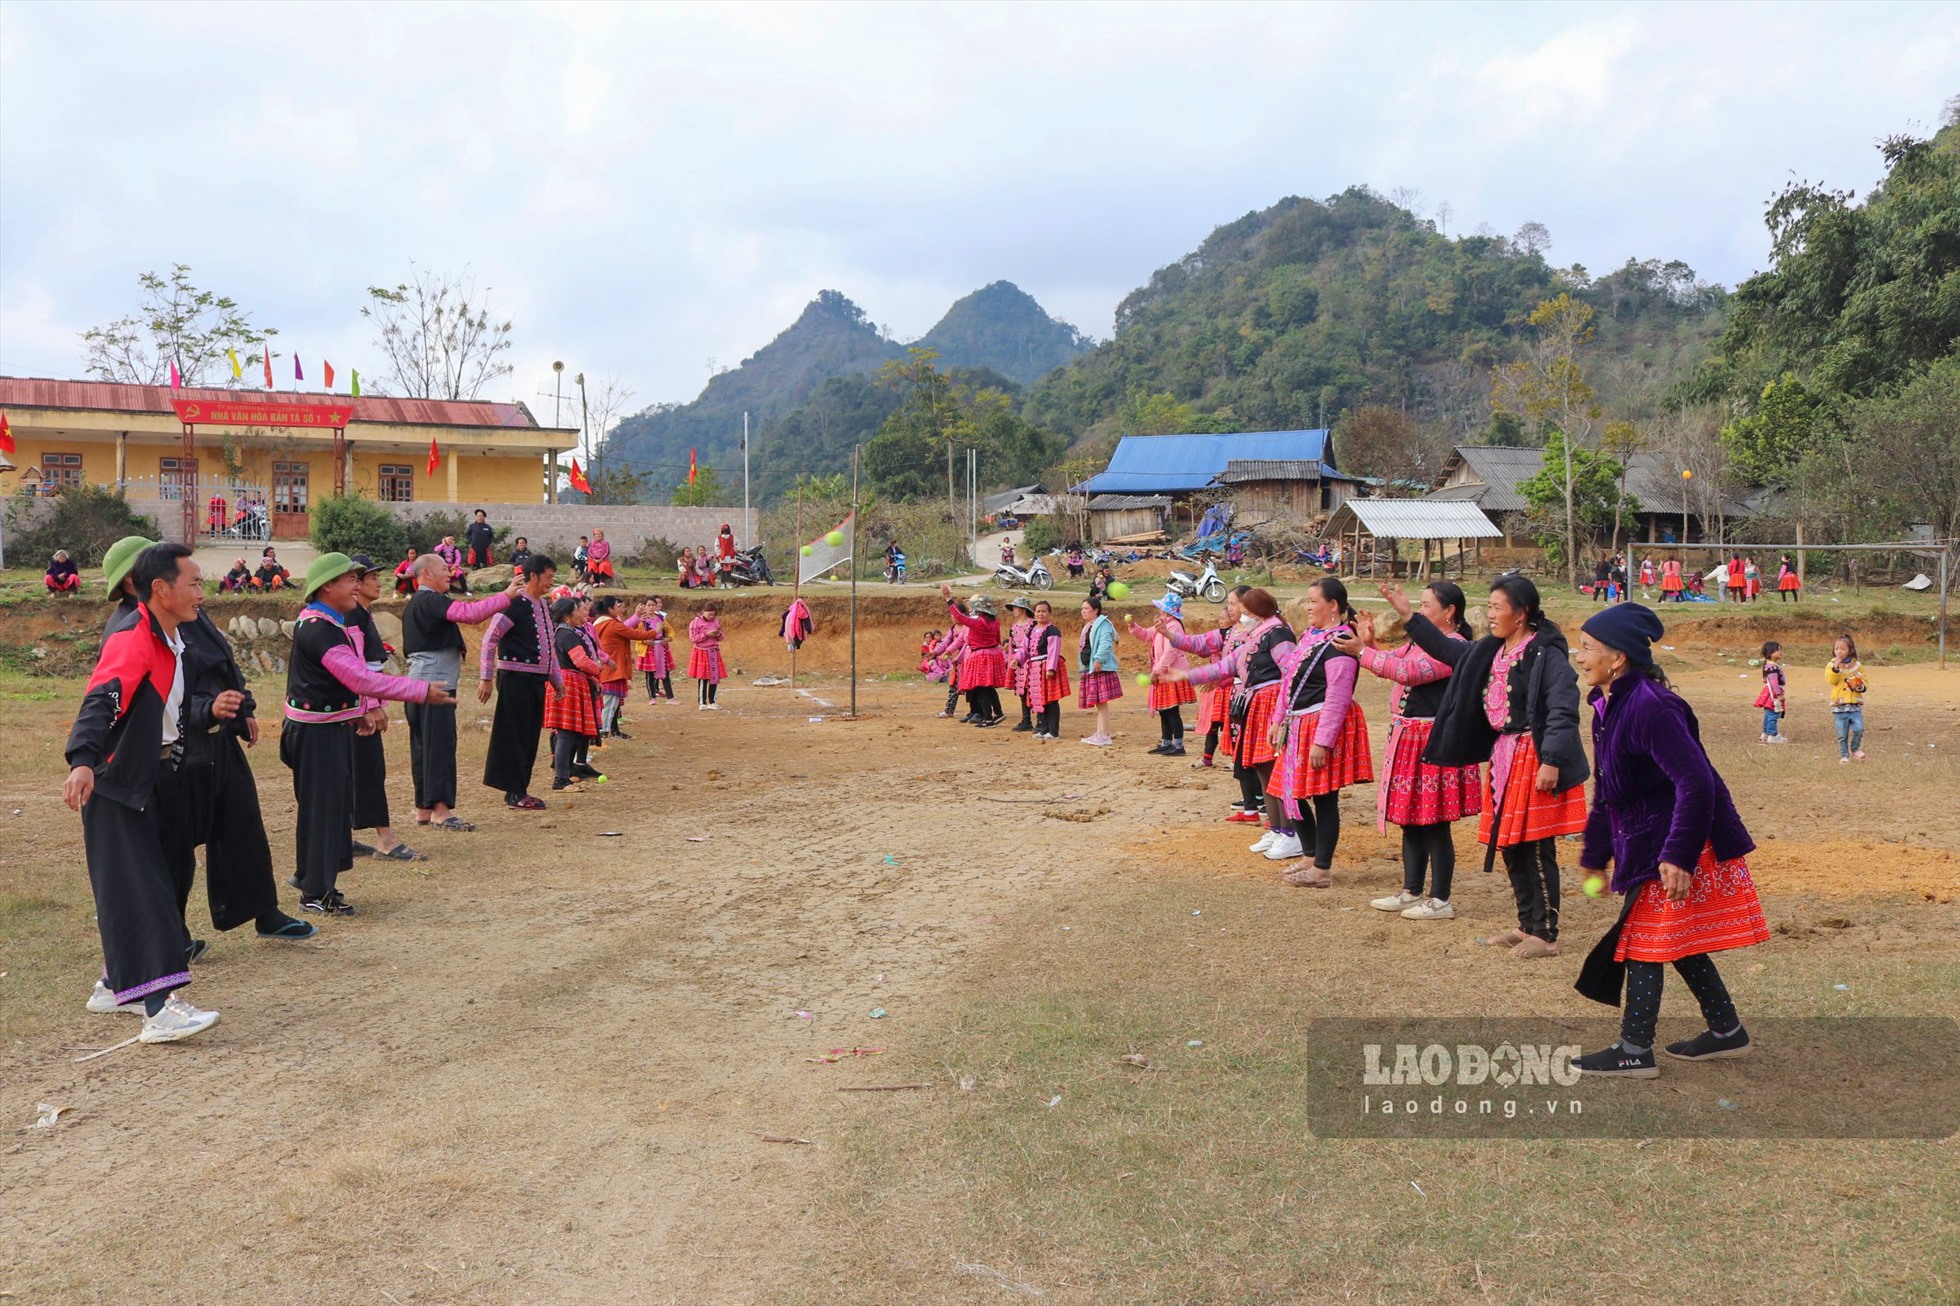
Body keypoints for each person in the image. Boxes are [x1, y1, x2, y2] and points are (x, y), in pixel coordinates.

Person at [1571, 603, 1767, 1078]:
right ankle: (1726, 1031)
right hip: (1649, 845)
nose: (1580, 657)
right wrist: (1596, 855)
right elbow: (1609, 792)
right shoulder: (1607, 705)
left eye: (1588, 648)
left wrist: (1678, 856)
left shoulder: (1651, 706)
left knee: (1643, 942)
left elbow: (1696, 782)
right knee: (1672, 940)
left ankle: (1634, 1050)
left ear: (1617, 658)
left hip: (1677, 845)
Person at [65, 543, 224, 1041]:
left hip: (150, 779)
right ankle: (158, 1010)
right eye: (194, 583)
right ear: (161, 588)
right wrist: (84, 761)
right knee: (146, 894)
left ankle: (115, 987)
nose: (202, 592)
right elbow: (102, 698)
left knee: (139, 886)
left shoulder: (172, 637)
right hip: (116, 784)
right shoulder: (134, 635)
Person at [1390, 573, 1589, 959]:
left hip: (1535, 756)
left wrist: (1551, 760)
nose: (1490, 614)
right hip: (1505, 757)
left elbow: (1564, 708)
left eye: (1498, 607)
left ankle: (1546, 934)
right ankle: (1526, 925)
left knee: (1534, 846)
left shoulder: (1544, 653)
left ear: (1522, 613)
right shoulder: (1492, 650)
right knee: (1511, 844)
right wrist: (1411, 617)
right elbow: (1450, 653)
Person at [282, 554, 453, 915]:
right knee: (322, 812)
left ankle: (315, 880)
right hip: (315, 734)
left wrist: (358, 710)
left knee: (332, 809)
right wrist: (419, 690)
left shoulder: (330, 621)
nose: (357, 585)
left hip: (329, 727)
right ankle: (315, 891)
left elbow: (350, 677)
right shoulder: (319, 628)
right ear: (327, 586)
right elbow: (358, 677)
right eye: (350, 580)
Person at [1333, 581, 1483, 920]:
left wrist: (1360, 650)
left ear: (1450, 612)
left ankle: (1440, 899)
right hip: (1410, 739)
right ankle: (1412, 890)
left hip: (1433, 740)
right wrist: (1369, 643)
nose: (1422, 611)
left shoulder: (1455, 647)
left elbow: (1406, 673)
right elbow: (1390, 662)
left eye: (1427, 605)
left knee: (1434, 821)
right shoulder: (1420, 642)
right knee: (1411, 818)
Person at [1260, 579, 1372, 886]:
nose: (1307, 606)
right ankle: (1309, 855)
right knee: (1288, 791)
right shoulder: (1312, 636)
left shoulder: (1341, 642)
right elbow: (1289, 682)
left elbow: (1338, 695)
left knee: (1324, 798)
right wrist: (1278, 718)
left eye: (1313, 601)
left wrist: (1323, 742)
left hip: (1319, 725)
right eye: (1307, 601)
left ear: (1332, 605)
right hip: (1298, 725)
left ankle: (1322, 868)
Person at [403, 552, 517, 832]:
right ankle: (440, 811)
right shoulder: (431, 599)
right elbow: (468, 614)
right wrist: (506, 595)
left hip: (415, 685)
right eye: (444, 569)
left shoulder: (415, 604)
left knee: (422, 748)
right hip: (436, 687)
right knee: (439, 747)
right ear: (426, 574)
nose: (450, 574)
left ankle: (424, 808)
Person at [1164, 585, 1276, 821]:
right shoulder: (1230, 632)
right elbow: (1200, 644)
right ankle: (1253, 805)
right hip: (1240, 700)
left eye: (1233, 604)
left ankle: (1267, 807)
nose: (1229, 608)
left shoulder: (1267, 633)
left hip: (1260, 701)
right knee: (1242, 753)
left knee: (1260, 755)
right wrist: (1170, 636)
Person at [345, 556, 423, 862]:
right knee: (368, 769)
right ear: (356, 583)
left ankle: (343, 837)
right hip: (355, 710)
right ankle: (385, 839)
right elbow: (358, 669)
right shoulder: (352, 616)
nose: (379, 582)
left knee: (353, 771)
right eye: (372, 577)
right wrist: (371, 706)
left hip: (354, 706)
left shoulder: (361, 615)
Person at [479, 554, 563, 810]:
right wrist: (486, 678)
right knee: (514, 736)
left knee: (528, 736)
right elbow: (490, 638)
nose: (550, 583)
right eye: (548, 577)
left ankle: (519, 789)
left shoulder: (542, 605)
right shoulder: (514, 603)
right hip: (515, 678)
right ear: (533, 575)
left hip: (535, 680)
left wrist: (556, 680)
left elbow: (549, 647)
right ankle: (515, 792)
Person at [545, 595, 608, 790]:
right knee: (567, 733)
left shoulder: (562, 633)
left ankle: (566, 773)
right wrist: (597, 668)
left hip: (569, 681)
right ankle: (561, 778)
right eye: (577, 610)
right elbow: (581, 661)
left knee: (569, 732)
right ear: (567, 616)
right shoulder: (568, 635)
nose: (582, 613)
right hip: (569, 683)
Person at [1128, 594, 1194, 756]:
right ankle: (1167, 742)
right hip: (1164, 673)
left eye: (1162, 608)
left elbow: (1170, 652)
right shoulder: (1164, 625)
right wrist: (1133, 626)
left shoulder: (1174, 627)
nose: (1159, 610)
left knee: (1171, 710)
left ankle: (1178, 746)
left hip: (1170, 673)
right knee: (1164, 710)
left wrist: (1157, 671)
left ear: (1167, 611)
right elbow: (1146, 635)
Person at [593, 594, 663, 737]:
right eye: (617, 606)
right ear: (610, 609)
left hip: (608, 665)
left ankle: (605, 729)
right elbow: (633, 633)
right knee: (610, 701)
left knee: (609, 701)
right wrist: (655, 632)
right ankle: (603, 730)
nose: (620, 609)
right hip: (613, 666)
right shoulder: (612, 624)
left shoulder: (599, 623)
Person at [942, 585, 1010, 727]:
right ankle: (997, 713)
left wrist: (948, 598)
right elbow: (997, 640)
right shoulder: (995, 622)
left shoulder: (977, 623)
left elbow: (959, 615)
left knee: (981, 687)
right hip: (993, 653)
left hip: (980, 655)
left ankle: (988, 718)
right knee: (988, 686)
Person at [1190, 605, 1235, 768]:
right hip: (1216, 690)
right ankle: (1207, 758)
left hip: (1229, 689)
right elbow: (1203, 651)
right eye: (1219, 619)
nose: (1220, 621)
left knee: (1231, 726)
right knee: (1212, 724)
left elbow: (1233, 669)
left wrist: (1217, 681)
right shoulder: (1217, 637)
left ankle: (1235, 760)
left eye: (1223, 618)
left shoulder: (1238, 638)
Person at [1076, 594, 1122, 746]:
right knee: (1099, 702)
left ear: (1095, 610)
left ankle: (1104, 734)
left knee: (1101, 702)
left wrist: (1098, 660)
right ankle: (1101, 732)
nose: (1083, 611)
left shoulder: (1103, 624)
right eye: (1082, 609)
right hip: (1092, 667)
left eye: (1086, 609)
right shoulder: (1090, 625)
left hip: (1099, 667)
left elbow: (1105, 642)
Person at [1027, 599, 1070, 741]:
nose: (1041, 614)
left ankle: (1053, 731)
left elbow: (1054, 650)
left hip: (1046, 667)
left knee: (1051, 699)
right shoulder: (1032, 630)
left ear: (1049, 613)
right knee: (1040, 698)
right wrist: (1017, 659)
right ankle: (1043, 729)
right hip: (1034, 668)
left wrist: (1050, 668)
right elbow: (1024, 648)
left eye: (1044, 611)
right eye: (1038, 611)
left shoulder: (1052, 630)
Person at [1826, 634, 1868, 763]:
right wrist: (1835, 668)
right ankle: (1844, 756)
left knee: (1859, 729)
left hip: (1854, 705)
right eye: (1836, 648)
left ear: (1851, 650)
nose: (1839, 651)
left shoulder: (1857, 666)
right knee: (1842, 734)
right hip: (1839, 706)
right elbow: (1831, 680)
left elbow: (1865, 681)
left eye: (1843, 649)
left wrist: (1859, 685)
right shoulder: (1831, 665)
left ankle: (1854, 749)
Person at [630, 596, 676, 703]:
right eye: (649, 605)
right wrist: (644, 641)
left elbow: (670, 630)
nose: (651, 607)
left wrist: (669, 638)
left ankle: (670, 697)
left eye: (653, 605)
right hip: (649, 650)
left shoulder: (661, 618)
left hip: (661, 648)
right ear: (645, 607)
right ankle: (652, 697)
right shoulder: (642, 620)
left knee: (666, 673)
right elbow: (635, 634)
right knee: (650, 675)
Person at [1005, 597, 1038, 732]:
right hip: (1018, 661)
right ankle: (1026, 720)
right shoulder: (1013, 627)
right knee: (1022, 691)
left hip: (1030, 660)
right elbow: (1012, 647)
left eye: (1016, 607)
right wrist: (1010, 661)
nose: (1014, 610)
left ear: (1023, 609)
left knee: (1034, 689)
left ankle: (1040, 720)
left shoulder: (1033, 624)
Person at [688, 602, 727, 709]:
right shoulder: (695, 623)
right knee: (703, 677)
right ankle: (702, 702)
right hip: (702, 652)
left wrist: (719, 634)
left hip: (713, 651)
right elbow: (693, 639)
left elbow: (722, 637)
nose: (712, 617)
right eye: (709, 614)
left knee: (714, 677)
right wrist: (706, 635)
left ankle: (712, 701)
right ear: (703, 612)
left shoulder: (716, 622)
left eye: (713, 614)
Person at [932, 623, 969, 719]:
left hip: (967, 660)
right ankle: (949, 710)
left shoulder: (967, 627)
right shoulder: (953, 628)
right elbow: (946, 642)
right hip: (956, 662)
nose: (953, 617)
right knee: (953, 685)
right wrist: (935, 652)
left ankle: (979, 711)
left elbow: (964, 644)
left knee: (971, 687)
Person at [1755, 641, 1788, 745]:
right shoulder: (1772, 667)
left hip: (1769, 692)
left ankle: (1765, 734)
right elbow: (1774, 683)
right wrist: (1779, 695)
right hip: (1773, 693)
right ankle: (1773, 735)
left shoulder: (1768, 665)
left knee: (1768, 714)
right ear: (1771, 652)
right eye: (1778, 650)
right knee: (1773, 713)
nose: (1781, 652)